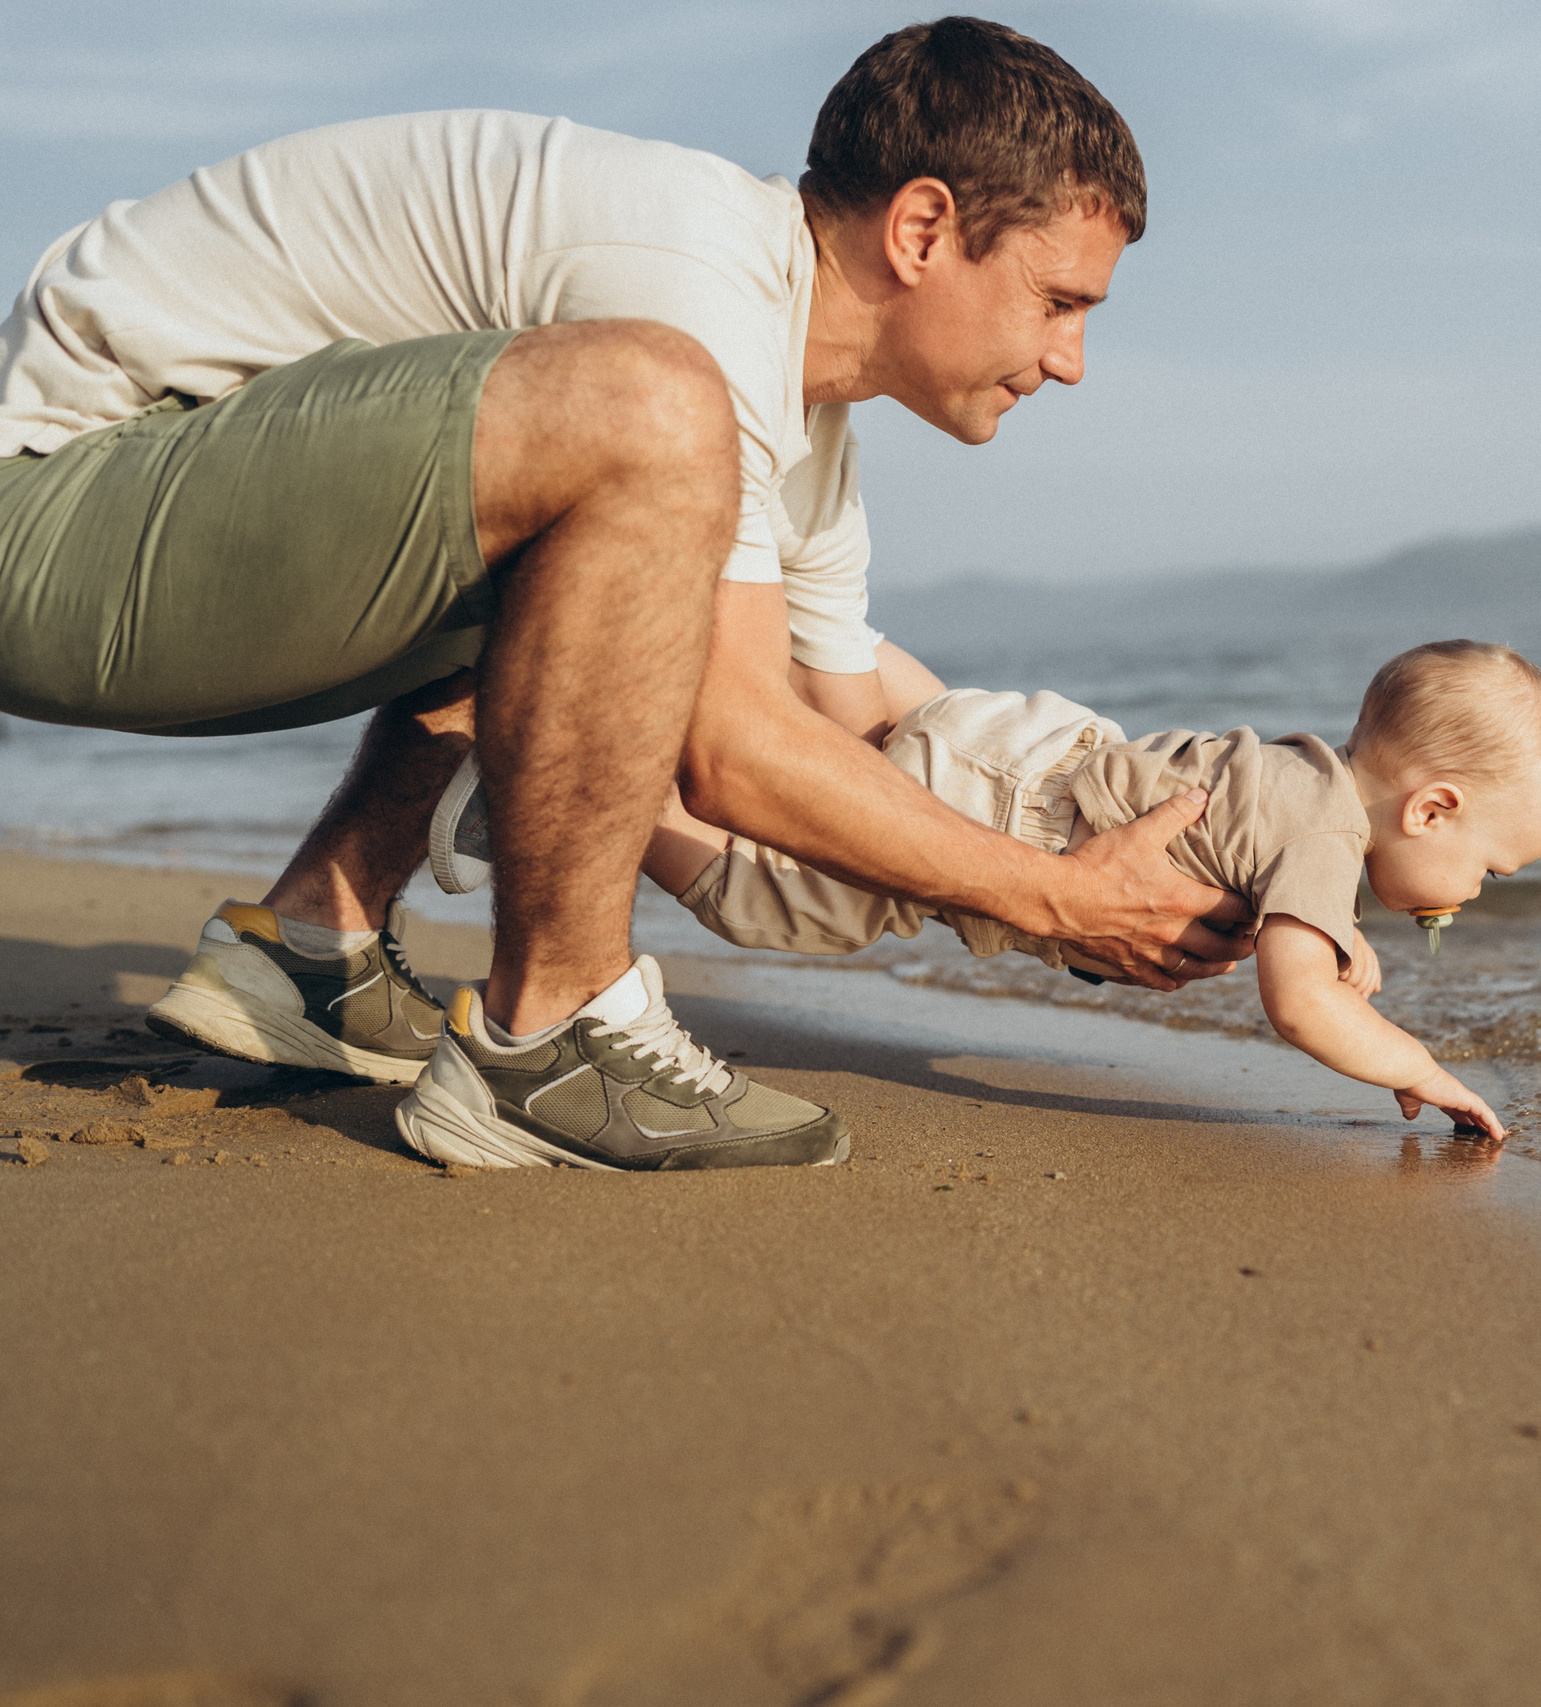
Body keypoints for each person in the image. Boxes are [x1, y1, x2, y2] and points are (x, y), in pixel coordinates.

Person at [0, 19, 1251, 1170]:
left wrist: (1144, 839)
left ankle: (308, 946)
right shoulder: (689, 285)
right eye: (1059, 301)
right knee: (648, 410)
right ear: (922, 232)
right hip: (53, 520)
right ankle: (551, 1033)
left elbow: (855, 719)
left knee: (623, 536)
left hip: (199, 555)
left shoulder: (801, 436)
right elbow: (732, 750)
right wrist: (1048, 896)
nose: (1070, 361)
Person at [408, 641, 1541, 1164]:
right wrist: (1418, 1068)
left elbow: (1295, 918)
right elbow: (1298, 1008)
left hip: (1021, 740)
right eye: (1491, 870)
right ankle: (549, 778)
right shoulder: (1326, 836)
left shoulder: (1305, 778)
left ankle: (663, 700)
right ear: (1429, 809)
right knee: (765, 899)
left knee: (827, 757)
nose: (1475, 895)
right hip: (1000, 820)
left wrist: (1345, 952)